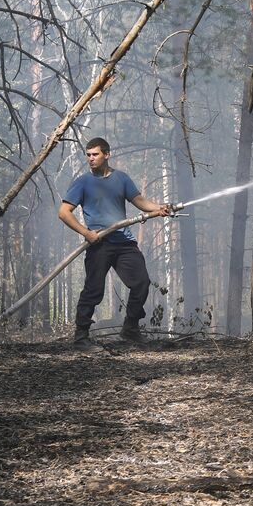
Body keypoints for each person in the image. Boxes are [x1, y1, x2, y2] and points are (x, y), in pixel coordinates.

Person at [58, 138, 173, 350]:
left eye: (95, 154)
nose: (91, 159)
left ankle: (130, 328)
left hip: (124, 242)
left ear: (107, 154)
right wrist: (86, 233)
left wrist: (160, 207)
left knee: (141, 283)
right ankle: (81, 337)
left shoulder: (122, 179)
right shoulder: (82, 182)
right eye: (88, 155)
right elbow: (64, 213)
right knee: (94, 290)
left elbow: (140, 202)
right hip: (99, 243)